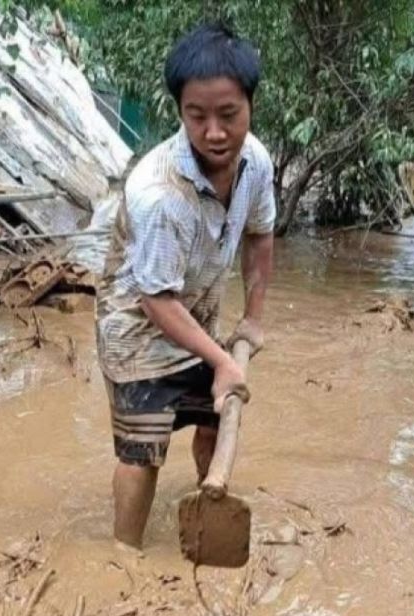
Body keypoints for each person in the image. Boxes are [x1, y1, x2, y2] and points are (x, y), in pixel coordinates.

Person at [96, 23, 275, 549]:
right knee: (142, 452)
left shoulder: (256, 163)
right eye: (197, 116)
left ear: (250, 105)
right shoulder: (158, 193)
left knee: (216, 417)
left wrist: (253, 318)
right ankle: (123, 556)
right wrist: (222, 361)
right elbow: (155, 300)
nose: (214, 132)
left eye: (228, 115)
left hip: (194, 320)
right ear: (179, 111)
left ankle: (207, 513)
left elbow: (260, 235)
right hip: (136, 329)